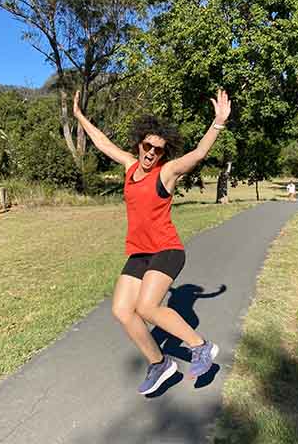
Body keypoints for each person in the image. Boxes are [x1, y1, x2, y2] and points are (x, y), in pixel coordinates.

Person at [73, 88, 231, 395]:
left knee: (147, 307)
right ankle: (160, 364)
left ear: (162, 154)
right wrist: (80, 117)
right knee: (122, 310)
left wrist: (218, 123)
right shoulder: (129, 165)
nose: (150, 153)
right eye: (147, 146)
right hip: (140, 253)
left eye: (157, 150)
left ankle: (200, 347)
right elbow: (103, 143)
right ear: (139, 144)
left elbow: (198, 154)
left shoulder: (166, 172)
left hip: (166, 249)